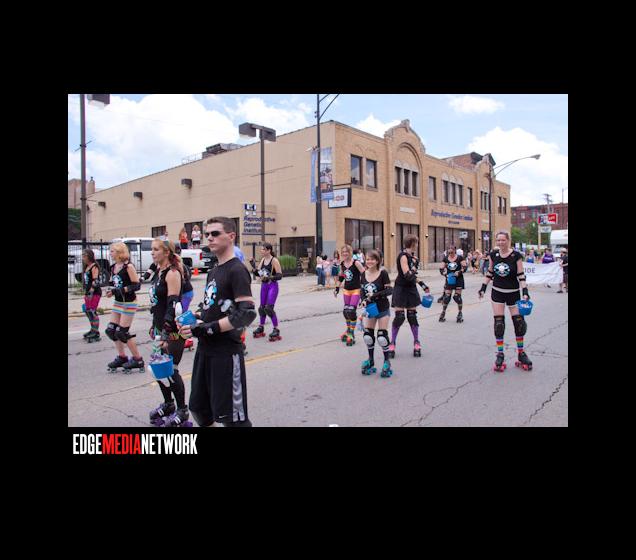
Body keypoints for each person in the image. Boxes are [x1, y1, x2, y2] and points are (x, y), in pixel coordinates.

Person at [179, 217, 257, 427]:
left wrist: (208, 328)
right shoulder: (214, 270)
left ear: (231, 236)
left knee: (233, 418)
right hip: (205, 351)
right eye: (207, 234)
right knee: (199, 409)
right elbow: (209, 306)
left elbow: (246, 313)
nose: (210, 238)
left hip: (226, 353)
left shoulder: (237, 270)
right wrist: (195, 318)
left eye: (215, 234)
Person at [147, 239, 190, 426]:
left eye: (156, 249)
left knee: (171, 370)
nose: (152, 252)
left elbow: (172, 304)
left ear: (166, 252)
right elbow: (157, 303)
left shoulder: (172, 273)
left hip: (173, 329)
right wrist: (154, 325)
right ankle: (168, 403)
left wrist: (165, 332)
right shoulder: (159, 272)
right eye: (152, 249)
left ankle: (182, 410)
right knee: (159, 370)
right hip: (160, 328)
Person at [478, 231, 532, 372]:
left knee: (519, 323)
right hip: (498, 293)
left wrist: (525, 291)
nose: (500, 242)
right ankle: (500, 354)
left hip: (513, 293)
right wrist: (483, 288)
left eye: (503, 240)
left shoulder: (516, 256)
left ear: (508, 240)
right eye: (498, 240)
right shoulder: (493, 255)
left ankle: (521, 353)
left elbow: (521, 274)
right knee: (499, 324)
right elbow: (490, 272)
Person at [104, 242, 144, 373]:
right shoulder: (113, 267)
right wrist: (110, 291)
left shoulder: (128, 267)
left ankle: (138, 359)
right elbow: (113, 283)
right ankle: (122, 357)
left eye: (112, 251)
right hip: (118, 302)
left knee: (122, 332)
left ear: (119, 252)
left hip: (129, 302)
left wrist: (120, 290)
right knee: (111, 330)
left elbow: (136, 285)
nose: (110, 253)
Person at [388, 234, 430, 358]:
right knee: (399, 317)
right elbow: (407, 274)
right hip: (401, 288)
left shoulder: (412, 257)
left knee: (412, 316)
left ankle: (416, 342)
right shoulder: (403, 256)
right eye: (416, 243)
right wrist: (415, 267)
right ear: (412, 243)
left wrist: (422, 284)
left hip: (411, 289)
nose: (417, 245)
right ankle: (392, 343)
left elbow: (412, 276)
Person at [360, 249, 394, 378]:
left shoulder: (383, 273)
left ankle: (386, 361)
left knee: (381, 337)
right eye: (367, 259)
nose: (369, 261)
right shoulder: (363, 274)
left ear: (377, 261)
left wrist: (373, 296)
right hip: (370, 309)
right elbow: (362, 290)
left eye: (372, 259)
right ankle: (371, 360)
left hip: (382, 308)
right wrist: (363, 300)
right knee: (368, 336)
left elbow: (389, 290)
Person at [334, 244, 366, 346]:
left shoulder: (356, 263)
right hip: (346, 290)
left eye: (346, 252)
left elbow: (364, 274)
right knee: (346, 311)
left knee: (351, 311)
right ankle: (348, 330)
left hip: (356, 290)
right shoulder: (342, 264)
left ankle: (351, 334)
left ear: (350, 252)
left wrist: (364, 288)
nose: (344, 254)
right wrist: (337, 288)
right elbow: (341, 277)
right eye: (343, 252)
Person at [252, 242, 283, 342]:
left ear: (269, 250)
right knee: (262, 308)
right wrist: (253, 267)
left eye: (263, 249)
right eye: (262, 249)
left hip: (272, 286)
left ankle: (276, 329)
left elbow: (280, 275)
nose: (262, 251)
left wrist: (271, 277)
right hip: (264, 286)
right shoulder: (263, 260)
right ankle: (261, 327)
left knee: (269, 308)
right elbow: (259, 273)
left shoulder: (274, 260)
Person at [438, 246, 467, 323]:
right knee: (447, 297)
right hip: (450, 279)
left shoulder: (459, 258)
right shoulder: (446, 258)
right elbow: (441, 268)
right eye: (449, 252)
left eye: (452, 252)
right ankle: (443, 313)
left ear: (455, 251)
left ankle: (460, 313)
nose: (450, 254)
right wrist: (444, 273)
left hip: (458, 279)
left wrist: (459, 272)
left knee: (457, 297)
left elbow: (465, 267)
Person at [174, 245, 195, 350]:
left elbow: (184, 282)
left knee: (182, 316)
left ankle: (188, 340)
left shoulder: (181, 266)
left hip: (186, 294)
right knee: (179, 316)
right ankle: (183, 338)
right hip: (182, 294)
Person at [81, 249, 102, 343]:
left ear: (89, 256)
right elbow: (87, 280)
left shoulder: (94, 266)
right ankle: (92, 329)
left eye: (84, 256)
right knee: (88, 311)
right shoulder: (87, 266)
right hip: (88, 292)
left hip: (94, 293)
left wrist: (91, 291)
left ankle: (96, 333)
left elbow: (96, 281)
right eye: (83, 256)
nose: (83, 258)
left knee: (93, 312)